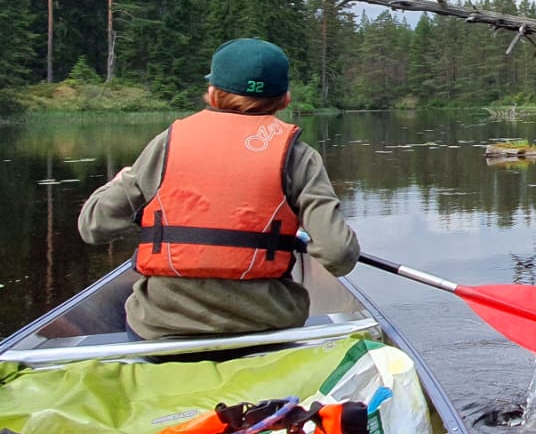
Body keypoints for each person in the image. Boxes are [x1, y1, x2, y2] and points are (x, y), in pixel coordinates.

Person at [78, 37, 360, 339]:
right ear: (285, 99)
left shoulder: (167, 143)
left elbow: (92, 227)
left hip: (160, 329)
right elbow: (339, 255)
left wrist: (120, 180)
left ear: (212, 94)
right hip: (267, 328)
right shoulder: (299, 156)